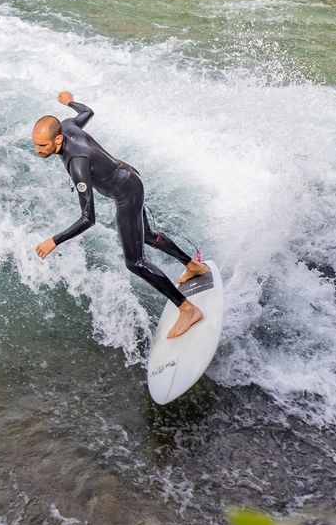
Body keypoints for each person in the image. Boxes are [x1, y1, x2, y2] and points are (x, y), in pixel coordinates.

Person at [32, 91, 208, 339]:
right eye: (35, 144)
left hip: (126, 194)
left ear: (58, 139)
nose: (37, 150)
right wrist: (70, 101)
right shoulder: (68, 124)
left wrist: (55, 240)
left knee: (135, 262)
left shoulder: (77, 163)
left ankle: (187, 309)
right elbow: (87, 112)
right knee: (147, 235)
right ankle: (193, 266)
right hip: (130, 177)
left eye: (42, 145)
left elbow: (88, 218)